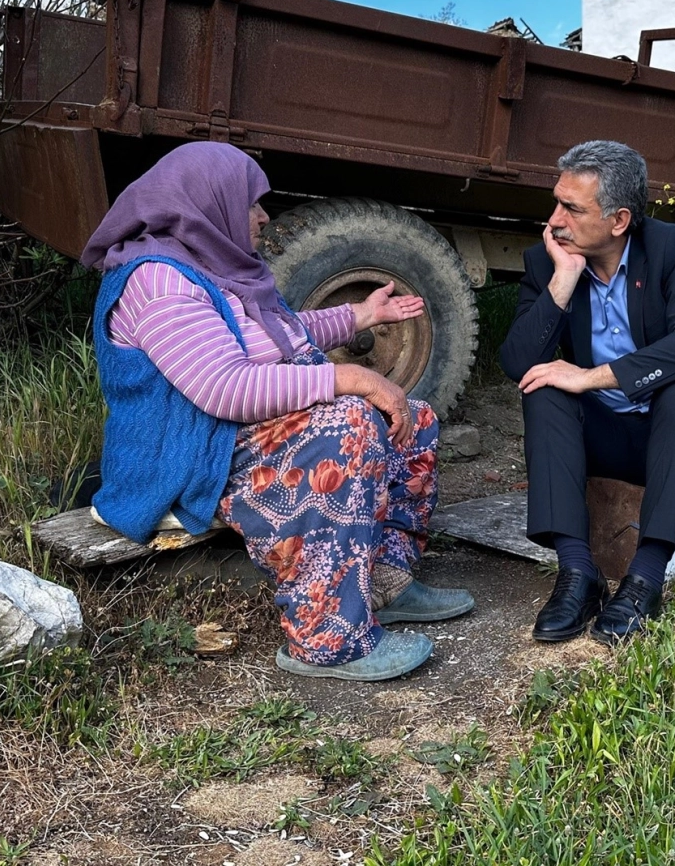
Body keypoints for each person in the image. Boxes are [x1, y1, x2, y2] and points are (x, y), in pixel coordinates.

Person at [80, 140, 473, 681]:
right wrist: (350, 376)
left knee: (414, 417)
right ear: (209, 203)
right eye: (252, 204)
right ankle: (327, 637)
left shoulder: (210, 262)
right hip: (189, 454)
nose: (264, 217)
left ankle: (384, 581)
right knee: (350, 423)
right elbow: (223, 386)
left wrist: (361, 314)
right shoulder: (158, 281)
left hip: (229, 437)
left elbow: (270, 336)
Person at [499, 140, 675, 645]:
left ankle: (644, 580)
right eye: (556, 202)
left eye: (571, 208)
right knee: (544, 385)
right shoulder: (548, 260)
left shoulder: (673, 250)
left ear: (618, 220)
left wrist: (589, 376)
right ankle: (577, 575)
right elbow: (516, 363)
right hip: (606, 434)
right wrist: (563, 281)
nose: (554, 220)